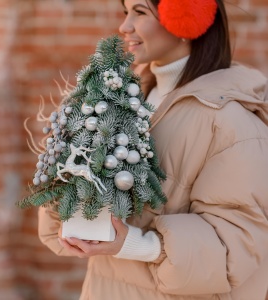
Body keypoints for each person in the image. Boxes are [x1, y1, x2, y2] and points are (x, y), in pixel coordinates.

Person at [38, 0, 268, 299]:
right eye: (126, 12)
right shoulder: (120, 101)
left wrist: (133, 244)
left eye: (140, 12)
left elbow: (240, 246)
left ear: (186, 20)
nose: (125, 26)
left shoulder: (229, 121)